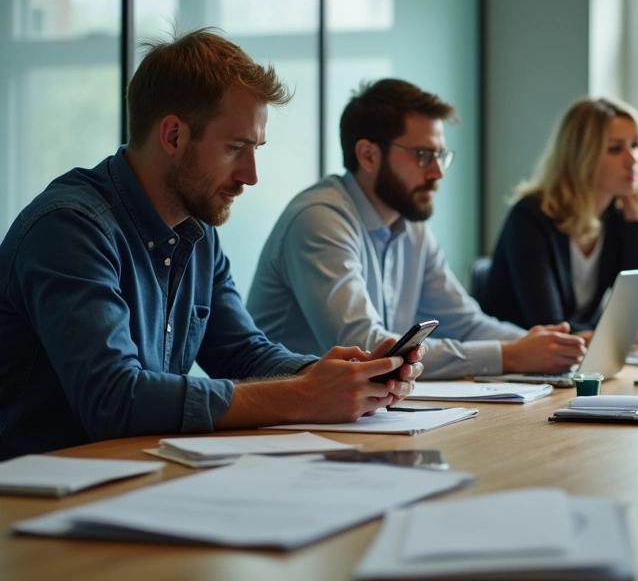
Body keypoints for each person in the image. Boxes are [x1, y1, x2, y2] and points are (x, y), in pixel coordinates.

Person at [0, 29, 420, 460]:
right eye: (236, 148)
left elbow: (240, 352)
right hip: (31, 500)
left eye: (255, 149)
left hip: (134, 477)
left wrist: (334, 377)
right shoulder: (70, 228)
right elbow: (114, 399)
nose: (251, 175)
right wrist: (304, 396)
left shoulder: (196, 230)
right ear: (173, 136)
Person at [248, 79, 586, 378]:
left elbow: (466, 323)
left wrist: (551, 347)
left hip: (352, 413)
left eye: (440, 156)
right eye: (423, 155)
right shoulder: (320, 219)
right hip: (283, 421)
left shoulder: (410, 225)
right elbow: (367, 350)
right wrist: (510, 356)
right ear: (368, 155)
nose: (437, 172)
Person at [479, 97, 638, 334]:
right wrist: (630, 326)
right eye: (615, 148)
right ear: (581, 156)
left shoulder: (618, 218)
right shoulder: (529, 217)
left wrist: (634, 221)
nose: (633, 159)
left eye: (635, 145)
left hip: (573, 363)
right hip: (516, 362)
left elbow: (634, 306)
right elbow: (550, 327)